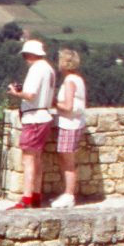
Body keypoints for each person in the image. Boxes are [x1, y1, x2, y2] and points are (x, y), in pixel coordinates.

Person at [8, 38, 57, 208]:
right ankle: (36, 194)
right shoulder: (49, 69)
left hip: (34, 117)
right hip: (44, 115)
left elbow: (30, 95)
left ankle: (26, 197)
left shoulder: (37, 69)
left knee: (28, 159)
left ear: (29, 55)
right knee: (37, 158)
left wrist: (15, 93)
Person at [51, 48, 89, 208]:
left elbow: (67, 106)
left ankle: (69, 194)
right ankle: (67, 193)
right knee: (67, 160)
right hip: (75, 123)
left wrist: (53, 103)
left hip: (69, 124)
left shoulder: (69, 81)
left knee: (68, 161)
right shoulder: (78, 79)